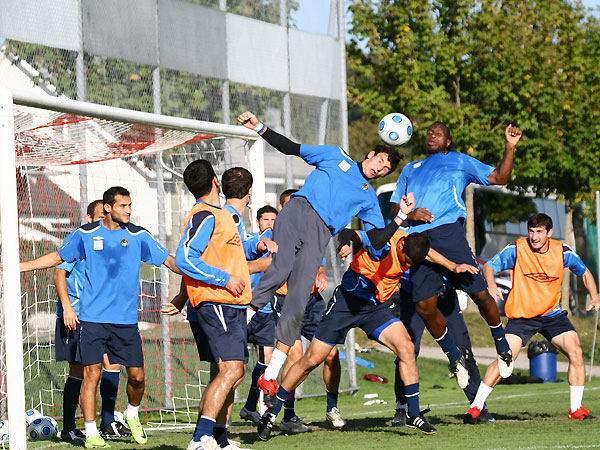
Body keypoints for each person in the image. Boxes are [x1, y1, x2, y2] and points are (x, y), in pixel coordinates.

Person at [256, 205, 480, 440]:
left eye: (410, 264)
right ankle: (272, 413)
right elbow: (351, 233)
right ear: (401, 246)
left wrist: (453, 266)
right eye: (405, 260)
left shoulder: (410, 244)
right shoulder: (382, 243)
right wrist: (344, 242)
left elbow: (429, 253)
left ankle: (413, 413)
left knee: (406, 347)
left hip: (376, 309)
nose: (406, 265)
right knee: (312, 359)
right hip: (347, 305)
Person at [237, 110, 404, 397]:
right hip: (298, 212)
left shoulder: (368, 196)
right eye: (380, 161)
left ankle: (270, 375)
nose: (380, 169)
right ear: (370, 154)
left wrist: (399, 219)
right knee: (280, 268)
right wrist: (260, 128)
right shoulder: (334, 156)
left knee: (299, 297)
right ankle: (241, 323)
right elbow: (291, 148)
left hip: (321, 232)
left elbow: (377, 239)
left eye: (386, 169)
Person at [20, 186, 181, 449]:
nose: (128, 210)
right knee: (90, 374)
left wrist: (197, 275)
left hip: (126, 322)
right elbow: (58, 259)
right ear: (108, 207)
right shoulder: (84, 235)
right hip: (92, 319)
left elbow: (170, 261)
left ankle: (131, 413)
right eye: (123, 206)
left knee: (137, 377)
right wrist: (19, 266)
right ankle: (91, 431)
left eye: (130, 205)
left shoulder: (139, 235)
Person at [390, 121, 523, 386]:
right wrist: (411, 214)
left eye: (438, 133)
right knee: (424, 306)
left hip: (447, 233)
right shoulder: (410, 169)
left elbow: (500, 178)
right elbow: (394, 206)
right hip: (419, 242)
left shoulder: (458, 160)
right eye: (430, 132)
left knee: (480, 294)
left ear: (448, 141)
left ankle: (500, 342)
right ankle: (454, 357)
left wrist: (510, 147)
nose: (432, 135)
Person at [464, 213, 600, 423]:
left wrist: (595, 295)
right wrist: (491, 286)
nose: (534, 237)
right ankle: (475, 408)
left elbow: (584, 272)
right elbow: (489, 266)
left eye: (539, 232)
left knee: (576, 351)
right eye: (531, 231)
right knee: (505, 357)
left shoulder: (562, 251)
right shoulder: (518, 248)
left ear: (549, 233)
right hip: (523, 316)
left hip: (552, 315)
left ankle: (576, 409)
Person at [166, 160, 252, 450]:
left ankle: (218, 437)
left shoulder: (220, 214)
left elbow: (228, 253)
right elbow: (185, 258)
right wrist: (224, 279)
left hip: (231, 303)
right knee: (231, 370)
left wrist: (257, 247)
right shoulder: (205, 215)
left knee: (231, 372)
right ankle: (200, 438)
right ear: (216, 181)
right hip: (216, 301)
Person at [55, 200, 131, 442]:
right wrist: (67, 308)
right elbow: (59, 272)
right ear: (89, 218)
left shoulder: (108, 243)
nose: (103, 222)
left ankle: (107, 421)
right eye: (99, 217)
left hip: (101, 317)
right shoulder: (79, 240)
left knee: (112, 363)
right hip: (76, 314)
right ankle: (69, 427)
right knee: (80, 370)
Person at [270, 190, 344, 432]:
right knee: (295, 356)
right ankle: (287, 415)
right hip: (287, 302)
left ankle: (332, 407)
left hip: (312, 301)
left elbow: (315, 261)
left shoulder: (309, 232)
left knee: (331, 354)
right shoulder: (275, 235)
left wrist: (320, 272)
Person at [391, 281, 495, 425]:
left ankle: (478, 405)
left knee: (462, 347)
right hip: (414, 293)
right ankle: (402, 407)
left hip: (444, 293)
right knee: (407, 350)